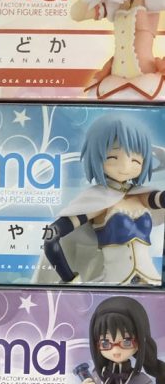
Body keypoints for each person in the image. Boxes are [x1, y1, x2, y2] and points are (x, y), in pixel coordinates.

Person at [41, 114, 165, 285]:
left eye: (135, 159)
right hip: (114, 284)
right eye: (113, 157)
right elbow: (51, 237)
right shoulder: (96, 201)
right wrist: (70, 280)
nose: (125, 166)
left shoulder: (141, 196)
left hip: (151, 281)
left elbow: (159, 199)